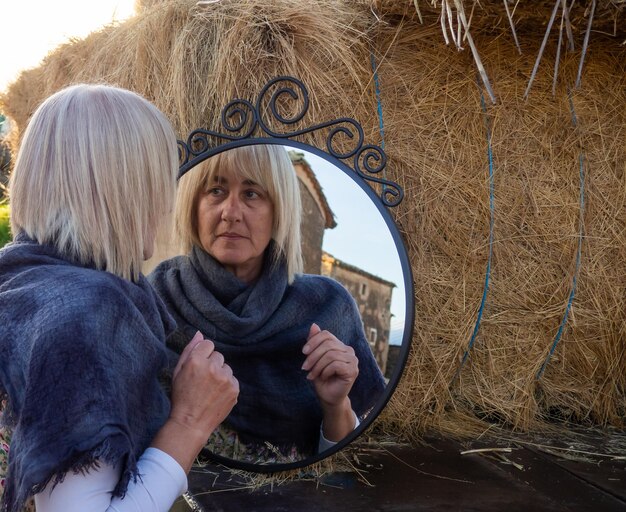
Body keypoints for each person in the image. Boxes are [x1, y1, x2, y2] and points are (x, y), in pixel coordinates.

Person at [0, 84, 239, 512]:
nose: (166, 203)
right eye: (156, 179)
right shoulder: (83, 313)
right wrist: (189, 421)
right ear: (124, 189)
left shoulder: (21, 282)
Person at [148, 144, 386, 462]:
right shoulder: (156, 299)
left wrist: (337, 406)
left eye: (252, 194)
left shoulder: (328, 306)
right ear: (193, 205)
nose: (231, 213)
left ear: (278, 212)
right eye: (216, 190)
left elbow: (353, 464)